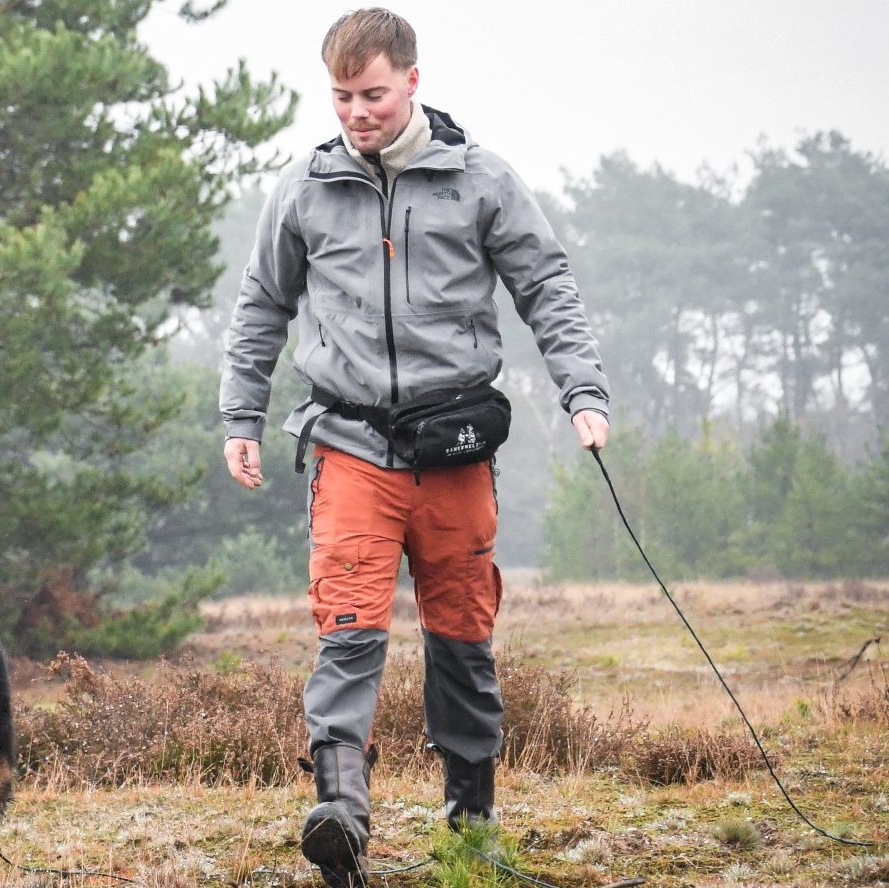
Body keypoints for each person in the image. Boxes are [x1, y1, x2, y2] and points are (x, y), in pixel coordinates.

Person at [218, 8, 610, 887]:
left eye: (372, 94)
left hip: (455, 451)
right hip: (350, 445)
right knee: (347, 632)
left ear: (411, 82)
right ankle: (340, 816)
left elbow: (546, 286)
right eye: (341, 96)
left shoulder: (480, 180)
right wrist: (240, 417)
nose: (356, 112)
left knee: (462, 638)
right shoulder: (303, 187)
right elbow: (261, 305)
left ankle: (470, 826)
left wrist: (582, 393)